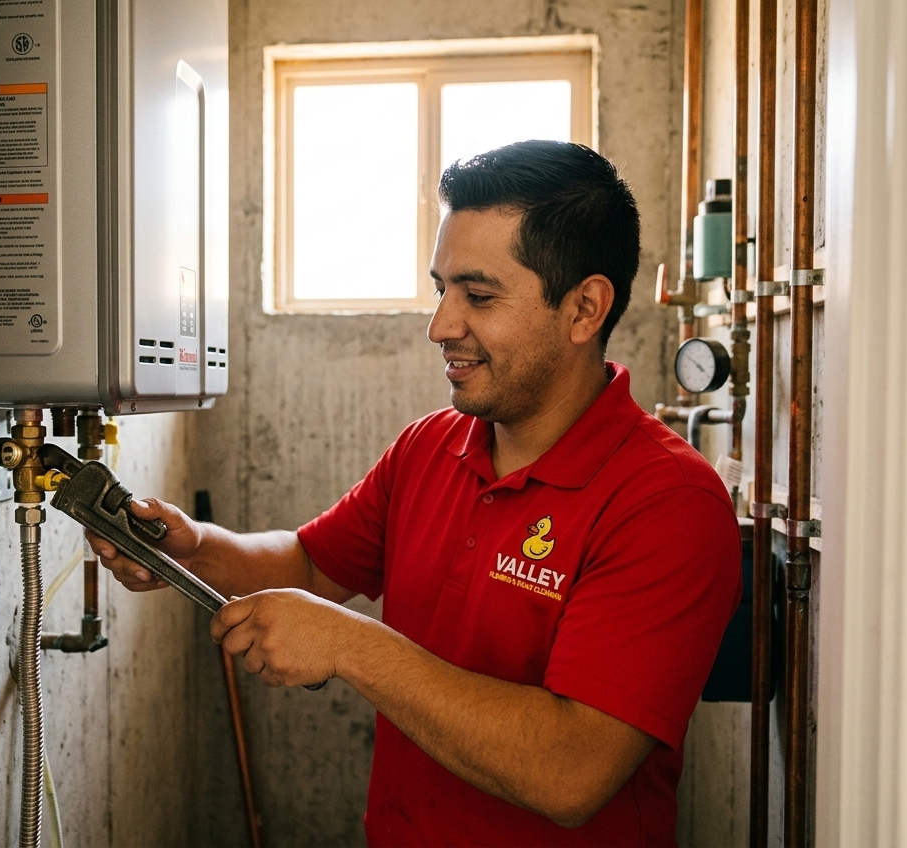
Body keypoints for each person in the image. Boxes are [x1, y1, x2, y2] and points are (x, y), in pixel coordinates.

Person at [89, 140, 742, 846]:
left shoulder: (667, 502)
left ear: (584, 309)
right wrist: (192, 548)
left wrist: (352, 647)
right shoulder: (431, 446)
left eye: (479, 295)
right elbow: (311, 566)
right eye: (442, 289)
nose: (441, 327)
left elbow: (571, 772)